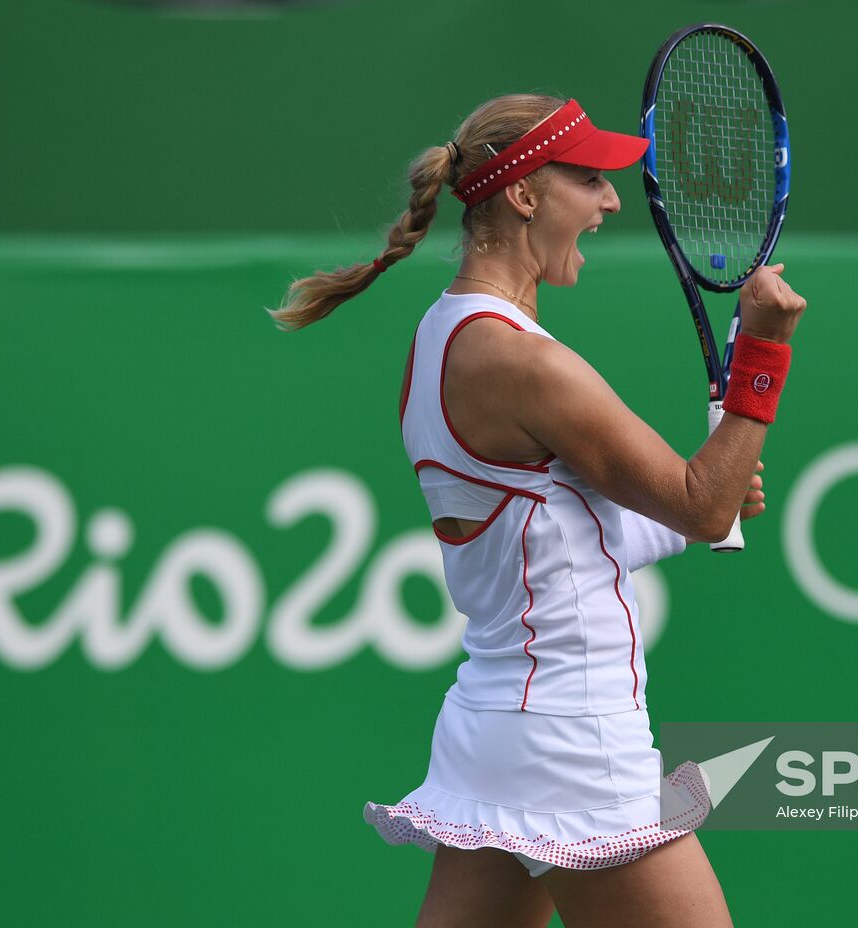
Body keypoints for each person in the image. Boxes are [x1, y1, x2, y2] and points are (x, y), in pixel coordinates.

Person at [267, 94, 806, 928]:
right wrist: (764, 350)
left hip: (496, 730)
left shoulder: (442, 338)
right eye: (589, 178)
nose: (612, 200)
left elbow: (550, 533)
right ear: (524, 194)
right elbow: (703, 505)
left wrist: (700, 503)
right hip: (573, 740)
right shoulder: (521, 362)